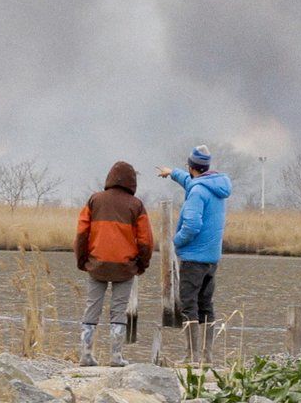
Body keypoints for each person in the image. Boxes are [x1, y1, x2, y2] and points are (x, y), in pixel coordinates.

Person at [155, 145, 232, 364]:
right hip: (211, 259)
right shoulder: (214, 187)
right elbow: (190, 182)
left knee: (189, 306)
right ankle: (207, 357)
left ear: (192, 167)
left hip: (193, 258)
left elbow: (191, 225)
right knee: (206, 305)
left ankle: (191, 357)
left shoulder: (198, 191)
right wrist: (172, 173)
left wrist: (174, 242)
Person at [74, 161, 153, 367]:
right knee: (118, 310)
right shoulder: (136, 205)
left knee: (92, 307)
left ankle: (85, 354)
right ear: (132, 182)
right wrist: (141, 265)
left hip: (96, 264)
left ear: (109, 178)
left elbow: (82, 233)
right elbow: (146, 241)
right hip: (125, 267)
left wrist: (82, 260)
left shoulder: (94, 200)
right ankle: (116, 357)